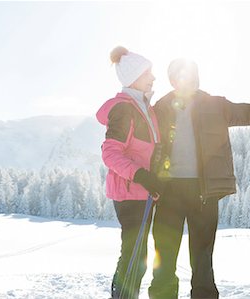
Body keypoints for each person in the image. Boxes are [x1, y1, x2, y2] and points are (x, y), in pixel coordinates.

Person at [148, 58, 250, 299]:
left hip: (203, 192)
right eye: (180, 76)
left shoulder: (215, 105)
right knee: (164, 257)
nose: (185, 80)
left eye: (190, 75)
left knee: (203, 260)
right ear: (173, 80)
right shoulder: (161, 107)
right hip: (168, 192)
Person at [96, 46, 163, 299]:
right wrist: (142, 176)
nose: (154, 77)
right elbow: (110, 153)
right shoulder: (124, 109)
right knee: (135, 256)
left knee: (137, 256)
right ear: (135, 77)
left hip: (142, 193)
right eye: (149, 73)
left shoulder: (143, 107)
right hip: (130, 192)